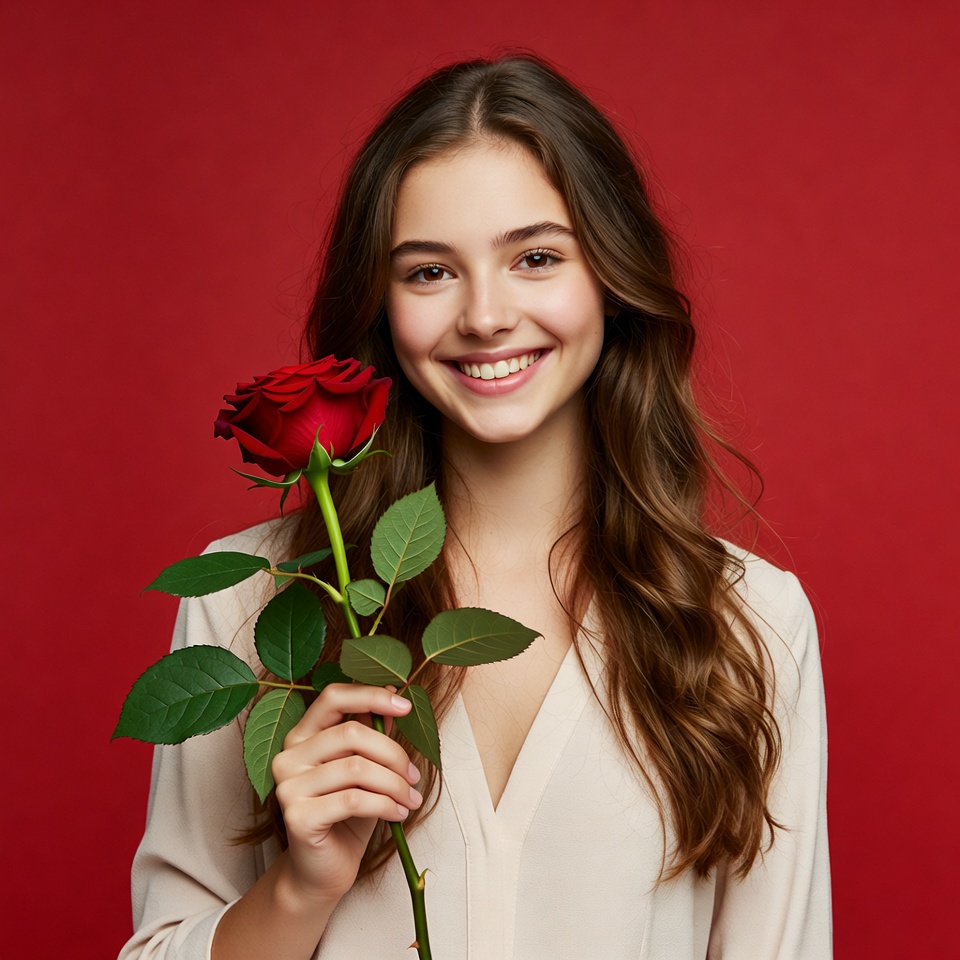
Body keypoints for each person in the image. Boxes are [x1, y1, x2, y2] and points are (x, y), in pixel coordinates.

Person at [119, 54, 831, 959]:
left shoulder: (751, 625)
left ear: (611, 278)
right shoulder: (251, 608)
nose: (486, 316)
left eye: (536, 257)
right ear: (380, 303)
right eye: (429, 273)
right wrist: (301, 889)